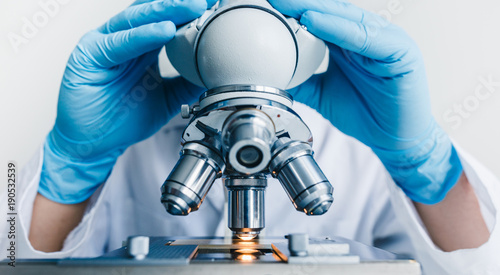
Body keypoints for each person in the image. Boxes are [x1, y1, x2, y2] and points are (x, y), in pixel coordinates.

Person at [1, 0, 499, 274]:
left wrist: (423, 164)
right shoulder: (121, 118)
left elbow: (482, 267)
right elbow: (7, 247)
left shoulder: (363, 136)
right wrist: (70, 164)